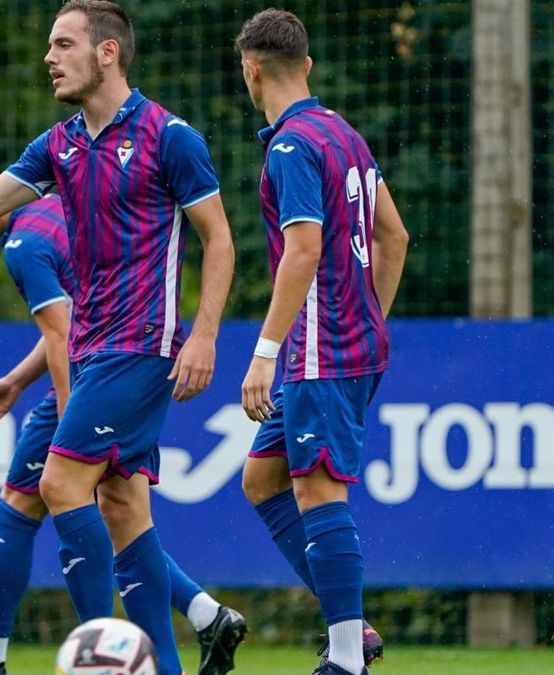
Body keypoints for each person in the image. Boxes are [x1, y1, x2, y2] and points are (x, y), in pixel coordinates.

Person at [0, 3, 239, 673]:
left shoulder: (169, 136)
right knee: (122, 505)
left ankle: (102, 657)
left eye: (64, 44)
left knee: (60, 482)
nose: (49, 57)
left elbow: (219, 238)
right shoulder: (59, 144)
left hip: (141, 342)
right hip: (95, 347)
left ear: (108, 52)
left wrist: (204, 335)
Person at [0, 162, 243, 675]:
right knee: (119, 509)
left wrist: (70, 424)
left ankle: (74, 658)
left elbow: (60, 337)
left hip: (98, 376)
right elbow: (71, 322)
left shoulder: (22, 246)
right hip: (127, 359)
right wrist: (17, 380)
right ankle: (201, 620)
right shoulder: (52, 210)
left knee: (32, 502)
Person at [233, 9, 410, 675]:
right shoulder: (343, 133)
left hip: (320, 349)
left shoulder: (290, 147)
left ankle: (345, 660)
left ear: (251, 70)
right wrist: (369, 317)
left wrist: (265, 351)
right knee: (263, 479)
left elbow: (302, 250)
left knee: (318, 491)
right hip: (349, 341)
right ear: (304, 65)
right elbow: (394, 236)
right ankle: (350, 625)